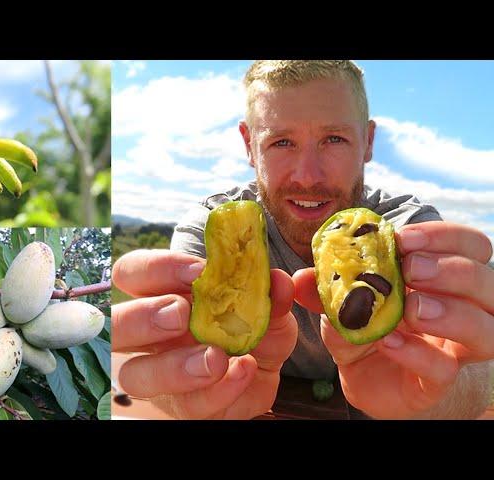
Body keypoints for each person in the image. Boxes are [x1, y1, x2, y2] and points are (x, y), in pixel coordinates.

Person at [111, 60, 494, 419]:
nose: (308, 175)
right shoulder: (214, 227)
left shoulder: (408, 230)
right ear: (249, 145)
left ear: (368, 141)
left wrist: (441, 394)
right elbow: (173, 354)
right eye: (281, 142)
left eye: (334, 139)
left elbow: (478, 368)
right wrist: (182, 391)